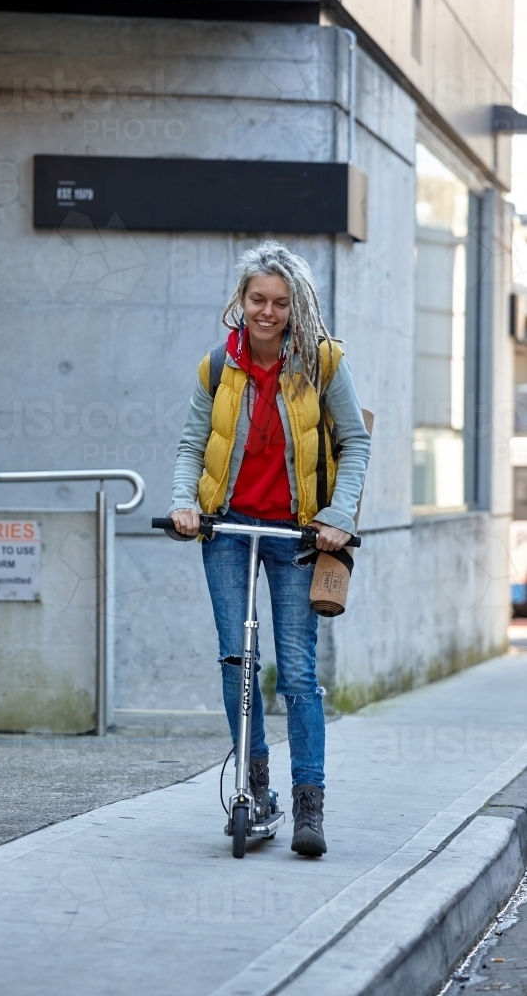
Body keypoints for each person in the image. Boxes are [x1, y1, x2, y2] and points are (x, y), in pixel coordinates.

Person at [168, 240, 371, 857]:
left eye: (280, 302)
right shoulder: (215, 367)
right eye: (258, 298)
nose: (268, 311)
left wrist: (337, 517)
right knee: (237, 663)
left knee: (299, 674)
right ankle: (255, 790)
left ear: (295, 306)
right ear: (241, 300)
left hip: (299, 534)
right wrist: (185, 504)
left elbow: (355, 443)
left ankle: (309, 801)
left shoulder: (323, 363)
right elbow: (190, 445)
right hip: (227, 529)